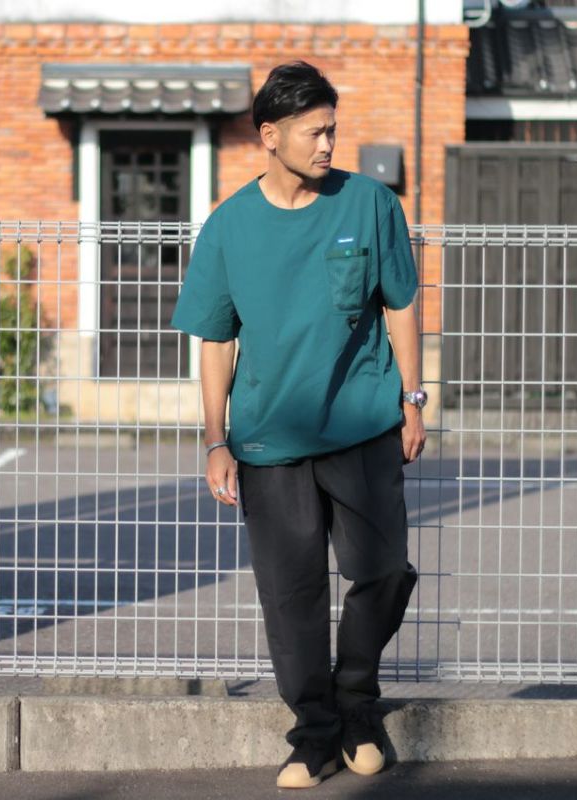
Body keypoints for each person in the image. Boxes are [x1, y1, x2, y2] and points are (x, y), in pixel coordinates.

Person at [170, 60, 426, 790]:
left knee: (383, 570)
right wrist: (215, 439)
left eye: (331, 129)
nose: (327, 144)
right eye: (313, 132)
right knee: (292, 595)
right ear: (269, 135)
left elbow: (400, 303)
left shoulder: (369, 203)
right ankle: (314, 734)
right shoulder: (229, 227)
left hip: (364, 426)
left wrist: (413, 399)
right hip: (268, 441)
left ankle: (356, 704)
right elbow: (215, 340)